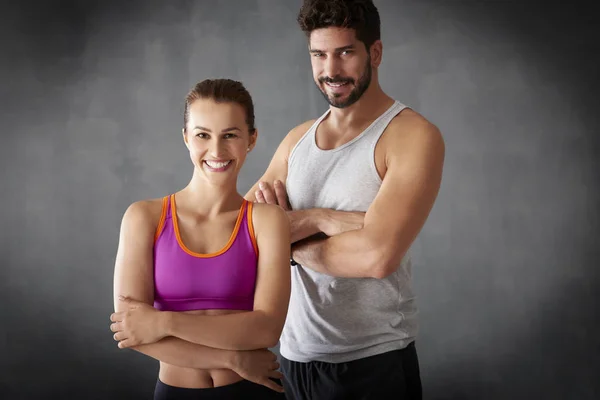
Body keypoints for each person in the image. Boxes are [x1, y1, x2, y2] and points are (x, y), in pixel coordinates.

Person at [245, 0, 445, 399]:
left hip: (371, 363)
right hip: (291, 358)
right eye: (319, 55)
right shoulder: (297, 140)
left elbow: (375, 257)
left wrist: (290, 233)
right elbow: (241, 238)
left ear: (375, 52)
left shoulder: (412, 137)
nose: (330, 71)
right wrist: (330, 221)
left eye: (345, 53)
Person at [110, 79, 290, 399]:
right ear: (186, 138)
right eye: (203, 135)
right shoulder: (144, 218)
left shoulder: (267, 221)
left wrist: (164, 323)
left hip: (251, 391)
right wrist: (231, 358)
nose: (216, 151)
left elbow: (267, 328)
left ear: (252, 139)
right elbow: (132, 331)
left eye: (230, 135)